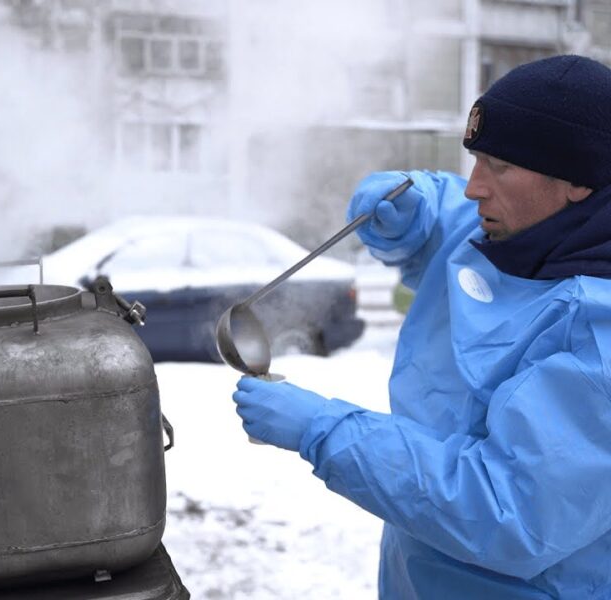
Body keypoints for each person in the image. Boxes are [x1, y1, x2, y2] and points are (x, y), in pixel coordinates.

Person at [231, 54, 611, 599]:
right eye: (475, 160)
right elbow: (450, 210)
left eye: (500, 167)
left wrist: (326, 430)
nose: (475, 188)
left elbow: (506, 512)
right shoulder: (516, 228)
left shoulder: (596, 338)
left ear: (577, 179)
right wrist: (414, 210)